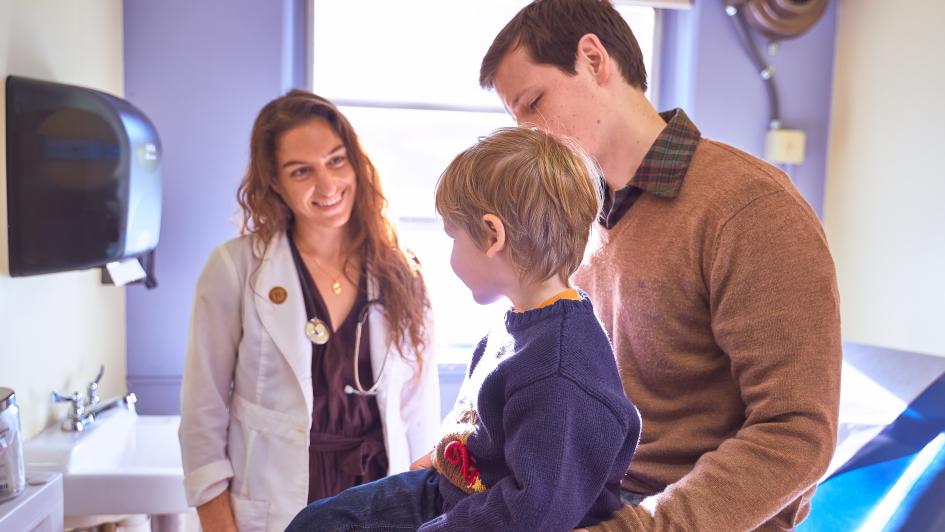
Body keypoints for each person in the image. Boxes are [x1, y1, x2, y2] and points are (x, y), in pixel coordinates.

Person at [478, 1, 842, 530]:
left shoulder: (750, 208)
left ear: (593, 58)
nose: (530, 134)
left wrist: (643, 527)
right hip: (582, 501)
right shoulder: (577, 222)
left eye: (533, 103)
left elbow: (796, 431)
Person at [286, 126, 642, 531]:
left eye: (453, 236)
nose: (451, 252)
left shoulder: (560, 373)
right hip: (454, 488)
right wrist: (444, 456)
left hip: (490, 517)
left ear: (492, 235)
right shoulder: (519, 325)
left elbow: (532, 516)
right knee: (316, 522)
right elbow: (479, 425)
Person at [178, 90, 441, 532]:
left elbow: (419, 414)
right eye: (302, 171)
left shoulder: (402, 273)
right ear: (275, 182)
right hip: (278, 502)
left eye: (337, 161)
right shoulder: (236, 269)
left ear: (356, 162)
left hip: (377, 498)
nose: (327, 185)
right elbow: (202, 415)